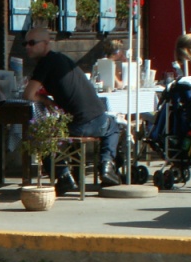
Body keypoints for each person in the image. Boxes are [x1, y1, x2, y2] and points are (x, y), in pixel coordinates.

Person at [22, 28, 122, 194]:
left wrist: (45, 100)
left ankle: (63, 176)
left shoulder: (46, 63)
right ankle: (106, 165)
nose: (27, 47)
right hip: (96, 119)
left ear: (46, 43)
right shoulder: (61, 59)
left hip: (80, 124)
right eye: (25, 43)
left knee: (43, 134)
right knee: (113, 126)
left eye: (32, 43)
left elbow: (28, 94)